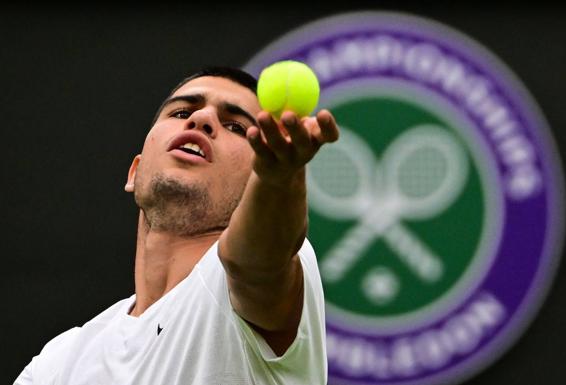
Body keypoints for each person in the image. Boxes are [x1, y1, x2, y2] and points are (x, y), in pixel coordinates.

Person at [14, 66, 339, 385]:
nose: (202, 120)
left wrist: (277, 179)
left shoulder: (257, 265)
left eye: (237, 126)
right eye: (182, 113)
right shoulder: (57, 365)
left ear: (254, 181)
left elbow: (258, 263)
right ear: (134, 172)